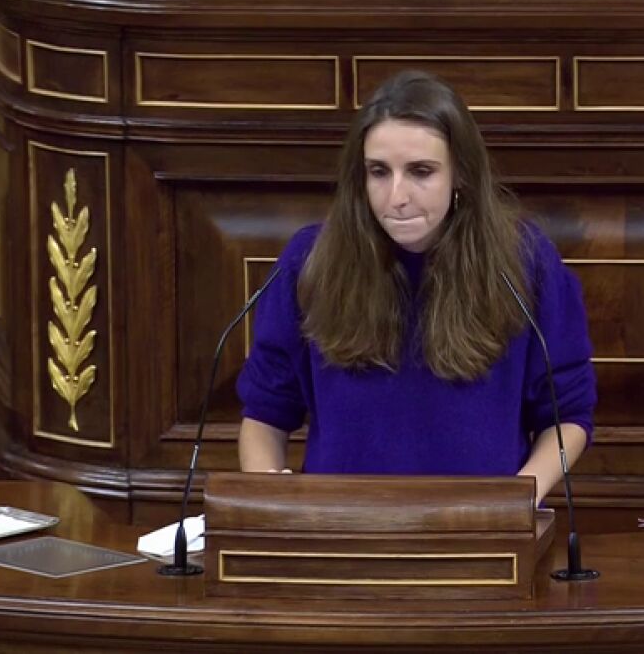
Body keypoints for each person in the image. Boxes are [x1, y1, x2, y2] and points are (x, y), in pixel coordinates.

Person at [236, 70, 596, 505]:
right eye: (378, 172)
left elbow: (567, 417)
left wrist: (518, 499)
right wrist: (273, 501)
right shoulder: (309, 260)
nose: (397, 197)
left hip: (480, 529)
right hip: (341, 527)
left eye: (421, 171)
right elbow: (264, 416)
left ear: (460, 173)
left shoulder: (524, 261)